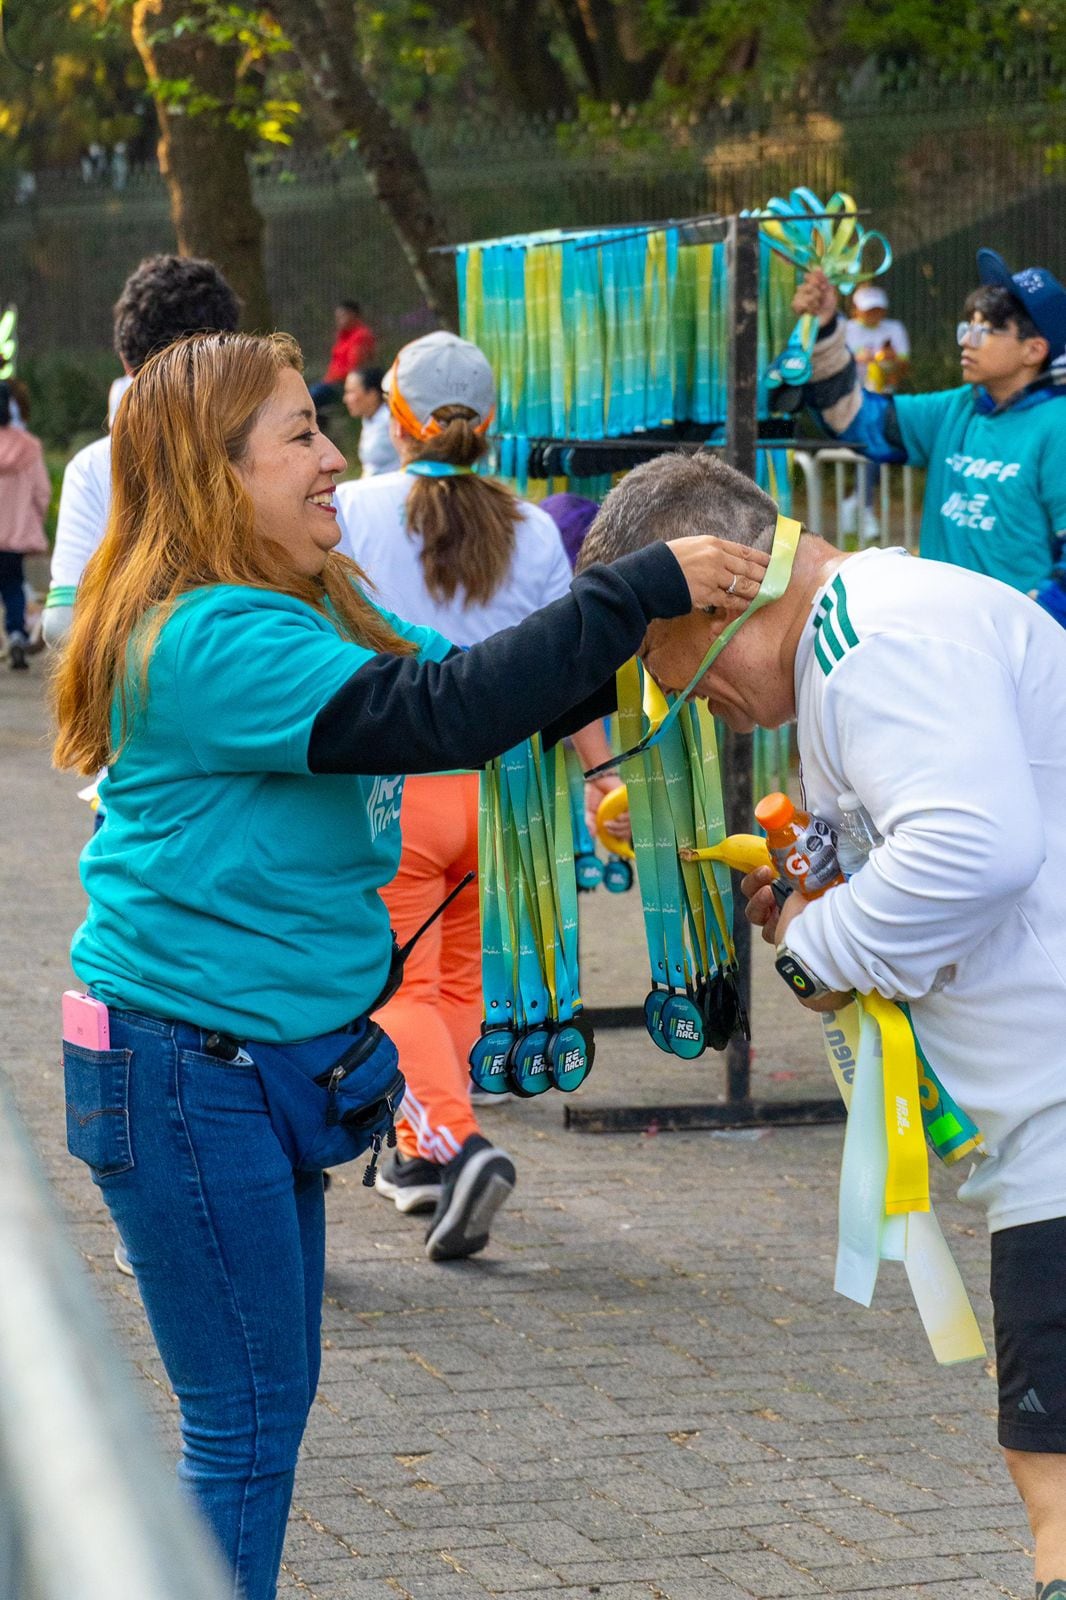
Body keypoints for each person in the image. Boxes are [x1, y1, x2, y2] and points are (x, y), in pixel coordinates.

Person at [51, 328, 765, 1600]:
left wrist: (642, 647)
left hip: (241, 1063)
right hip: (183, 1071)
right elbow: (434, 717)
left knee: (265, 1409)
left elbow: (478, 692)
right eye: (300, 434)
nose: (336, 455)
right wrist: (633, 588)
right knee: (246, 1424)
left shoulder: (303, 601)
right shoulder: (207, 635)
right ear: (219, 473)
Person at [576, 448, 1066, 1600]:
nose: (673, 696)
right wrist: (823, 910)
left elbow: (972, 849)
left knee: (1053, 1473)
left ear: (712, 597)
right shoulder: (861, 636)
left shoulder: (874, 638)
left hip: (1055, 1124)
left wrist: (813, 943)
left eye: (655, 656)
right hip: (1038, 1127)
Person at [335, 333, 617, 1252]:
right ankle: (420, 1158)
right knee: (458, 980)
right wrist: (602, 774)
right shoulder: (532, 529)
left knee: (393, 988)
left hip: (395, 789)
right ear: (491, 423)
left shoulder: (350, 509)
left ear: (397, 417)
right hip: (501, 796)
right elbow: (570, 668)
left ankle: (458, 1147)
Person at [792, 249, 1066, 598]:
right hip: (942, 627)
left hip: (1017, 633)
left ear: (1034, 350)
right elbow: (851, 417)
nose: (965, 340)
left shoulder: (1058, 424)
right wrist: (826, 326)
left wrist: (1028, 622)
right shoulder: (956, 408)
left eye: (983, 331)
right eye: (967, 328)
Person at [44, 253, 241, 648]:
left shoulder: (95, 466)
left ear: (125, 360)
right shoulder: (274, 447)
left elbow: (62, 624)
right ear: (230, 349)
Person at [841, 285, 911, 540]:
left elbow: (902, 368)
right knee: (871, 450)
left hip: (883, 400)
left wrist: (890, 361)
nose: (874, 313)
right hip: (852, 401)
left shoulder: (894, 329)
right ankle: (864, 508)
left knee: (879, 453)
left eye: (878, 308)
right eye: (869, 309)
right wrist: (855, 360)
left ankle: (856, 502)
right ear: (856, 309)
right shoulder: (845, 329)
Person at [0, 380, 50, 670]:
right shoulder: (28, 447)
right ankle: (17, 636)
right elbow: (42, 492)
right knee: (13, 586)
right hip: (14, 535)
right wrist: (33, 521)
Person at [308, 299, 375, 418]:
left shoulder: (361, 336)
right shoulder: (342, 336)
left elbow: (354, 368)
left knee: (310, 399)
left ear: (353, 315)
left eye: (342, 316)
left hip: (342, 384)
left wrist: (333, 378)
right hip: (331, 382)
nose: (338, 320)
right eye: (337, 317)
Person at [341, 363, 398, 477]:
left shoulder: (392, 421)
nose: (345, 399)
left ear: (372, 394)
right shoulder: (369, 420)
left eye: (351, 392)